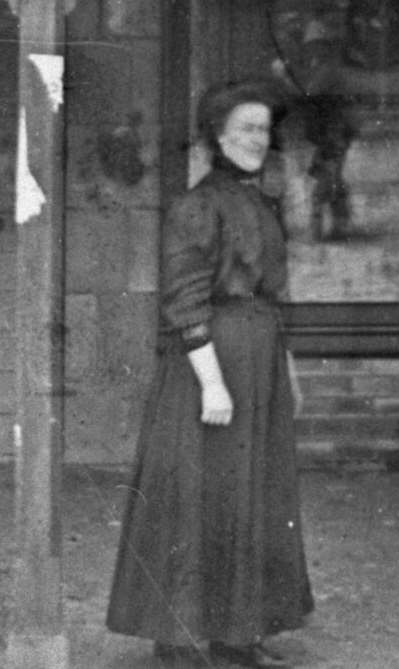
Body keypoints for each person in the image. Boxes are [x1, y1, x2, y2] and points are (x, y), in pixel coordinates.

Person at [107, 79, 313, 668]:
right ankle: (179, 638)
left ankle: (237, 631)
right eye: (245, 128)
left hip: (259, 360)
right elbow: (183, 299)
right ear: (218, 136)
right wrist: (213, 380)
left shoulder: (259, 203)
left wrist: (289, 371)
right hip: (212, 363)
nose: (257, 139)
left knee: (251, 494)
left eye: (264, 129)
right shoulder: (199, 204)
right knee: (195, 497)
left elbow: (273, 295)